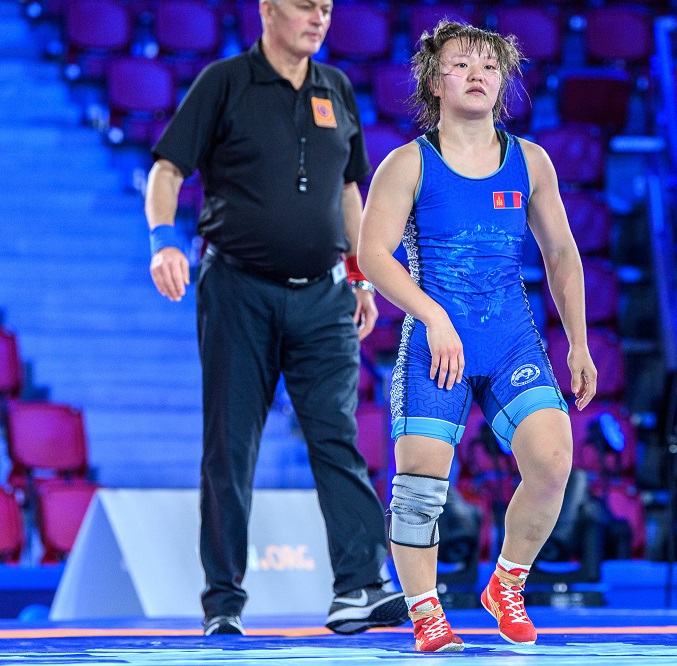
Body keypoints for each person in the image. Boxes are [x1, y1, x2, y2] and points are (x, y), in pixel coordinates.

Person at [143, 0, 406, 636]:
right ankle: (223, 602)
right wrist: (164, 240)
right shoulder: (225, 82)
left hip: (324, 296)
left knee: (338, 436)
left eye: (327, 8)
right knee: (231, 446)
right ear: (267, 10)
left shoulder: (336, 87)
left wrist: (360, 275)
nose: (319, 18)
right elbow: (167, 169)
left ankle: (359, 587)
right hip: (238, 289)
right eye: (305, 6)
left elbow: (349, 189)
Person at [357, 21, 598, 653]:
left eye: (489, 67)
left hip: (510, 339)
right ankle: (426, 613)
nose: (477, 75)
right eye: (462, 64)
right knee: (419, 485)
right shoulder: (408, 163)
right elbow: (373, 255)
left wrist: (578, 342)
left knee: (554, 461)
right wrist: (433, 317)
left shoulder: (530, 161)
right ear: (434, 82)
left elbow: (562, 254)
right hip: (437, 345)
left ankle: (507, 582)